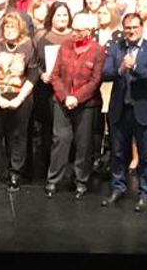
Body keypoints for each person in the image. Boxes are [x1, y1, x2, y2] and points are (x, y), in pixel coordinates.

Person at [102, 12, 147, 211]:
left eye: (135, 27)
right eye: (127, 28)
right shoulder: (116, 48)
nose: (131, 31)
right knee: (118, 153)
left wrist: (134, 66)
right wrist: (120, 69)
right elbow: (105, 72)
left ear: (142, 27)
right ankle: (117, 187)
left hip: (143, 109)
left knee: (146, 154)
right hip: (120, 109)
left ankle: (145, 192)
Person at [48, 12, 108, 200]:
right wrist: (66, 97)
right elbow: (55, 74)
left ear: (89, 32)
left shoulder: (97, 50)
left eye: (78, 30)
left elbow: (95, 80)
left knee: (84, 143)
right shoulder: (65, 46)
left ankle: (81, 180)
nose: (73, 33)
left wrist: (77, 97)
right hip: (62, 101)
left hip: (87, 104)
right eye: (73, 29)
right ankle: (53, 179)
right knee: (61, 139)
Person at [0, 11, 38, 192]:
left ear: (20, 28)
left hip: (20, 95)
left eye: (13, 26)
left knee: (18, 135)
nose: (9, 30)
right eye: (6, 26)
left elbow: (33, 74)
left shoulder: (28, 46)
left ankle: (15, 172)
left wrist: (20, 98)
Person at [31, 1, 74, 181]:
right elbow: (33, 62)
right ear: (51, 17)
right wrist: (41, 75)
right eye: (58, 15)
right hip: (45, 89)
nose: (62, 18)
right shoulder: (41, 35)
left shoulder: (74, 35)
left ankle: (65, 166)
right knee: (47, 127)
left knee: (65, 130)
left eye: (65, 15)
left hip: (69, 90)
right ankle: (46, 164)